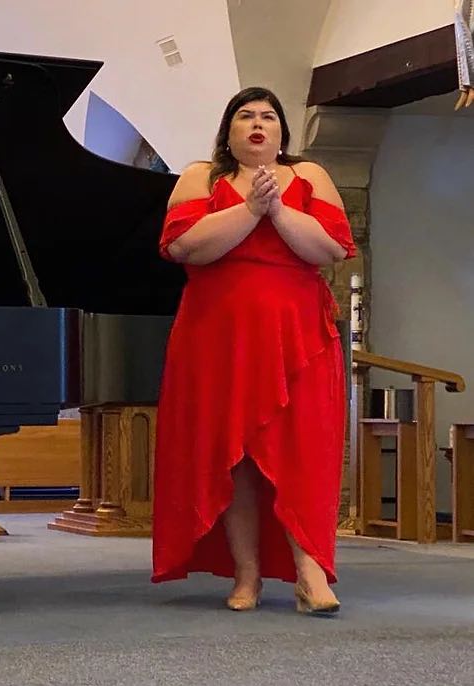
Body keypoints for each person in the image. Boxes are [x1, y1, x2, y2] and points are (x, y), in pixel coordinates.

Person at [151, 87, 355, 614]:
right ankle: (247, 574)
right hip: (218, 339)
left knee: (302, 450)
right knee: (233, 456)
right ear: (229, 130)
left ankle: (310, 573)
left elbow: (330, 249)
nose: (257, 124)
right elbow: (184, 246)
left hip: (300, 338)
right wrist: (250, 208)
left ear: (283, 132)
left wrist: (279, 212)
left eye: (268, 116)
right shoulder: (202, 175)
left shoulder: (309, 176)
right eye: (245, 116)